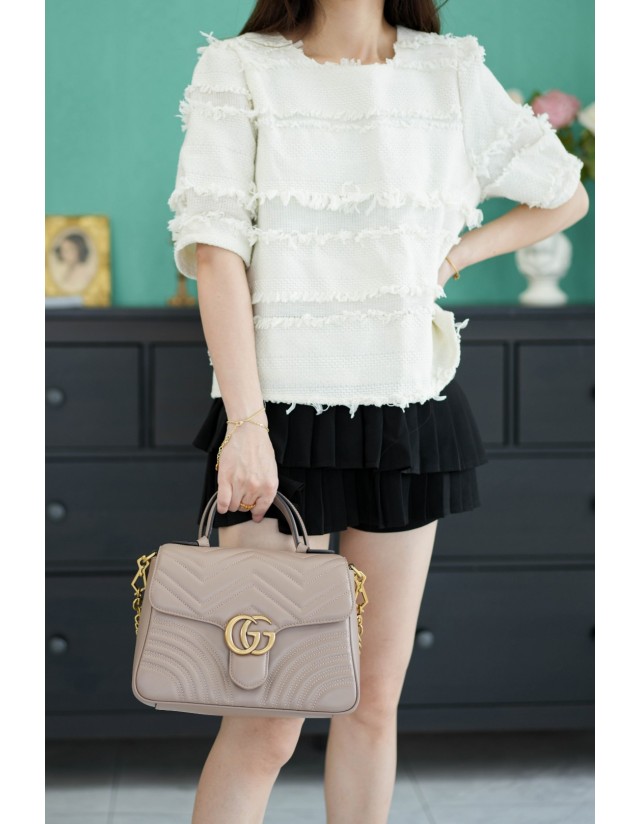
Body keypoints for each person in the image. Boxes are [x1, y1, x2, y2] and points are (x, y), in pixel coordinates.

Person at [167, 2, 589, 821]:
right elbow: (215, 253)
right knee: (266, 719)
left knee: (369, 704)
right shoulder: (240, 66)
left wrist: (455, 255)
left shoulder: (449, 70)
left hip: (404, 407)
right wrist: (245, 428)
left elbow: (564, 194)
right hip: (275, 419)